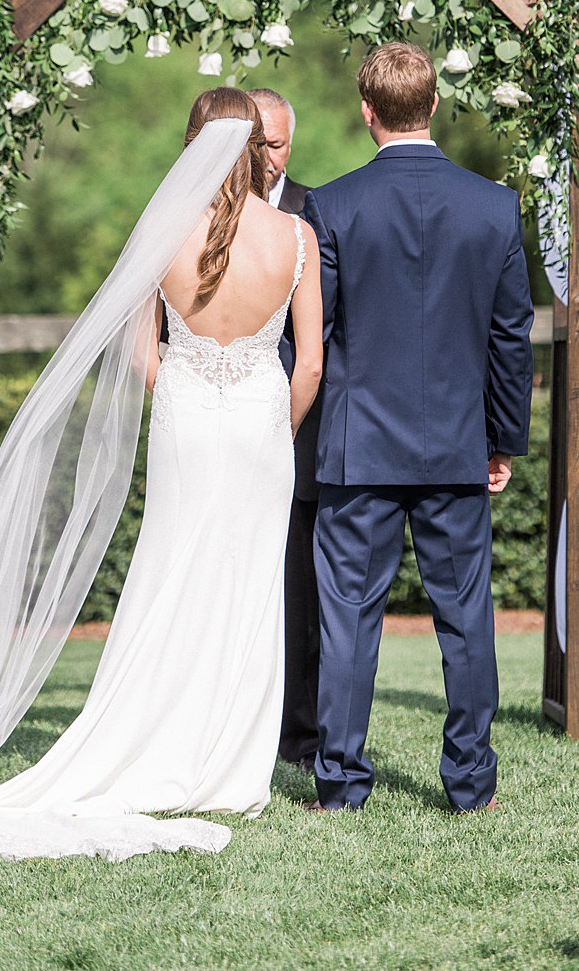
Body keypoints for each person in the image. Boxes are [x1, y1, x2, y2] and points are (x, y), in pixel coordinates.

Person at [0, 89, 323, 859]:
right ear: (251, 147)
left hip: (187, 424)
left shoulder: (163, 232)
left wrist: (188, 400)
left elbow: (141, 354)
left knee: (168, 579)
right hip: (263, 434)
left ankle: (146, 741)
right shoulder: (296, 236)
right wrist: (268, 428)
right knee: (248, 587)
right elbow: (312, 366)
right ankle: (231, 770)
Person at [303, 42, 534, 814]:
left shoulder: (329, 207)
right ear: (433, 105)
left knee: (349, 621)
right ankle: (470, 785)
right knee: (465, 617)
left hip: (355, 450)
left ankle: (339, 783)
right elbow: (510, 336)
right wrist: (501, 438)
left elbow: (315, 336)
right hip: (455, 450)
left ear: (366, 111)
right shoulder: (494, 206)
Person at [249, 89, 322, 773]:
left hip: (294, 430)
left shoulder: (315, 213)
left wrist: (284, 424)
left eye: (277, 143)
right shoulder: (190, 219)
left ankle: (298, 736)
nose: (268, 157)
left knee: (297, 588)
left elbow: (323, 337)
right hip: (217, 424)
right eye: (257, 143)